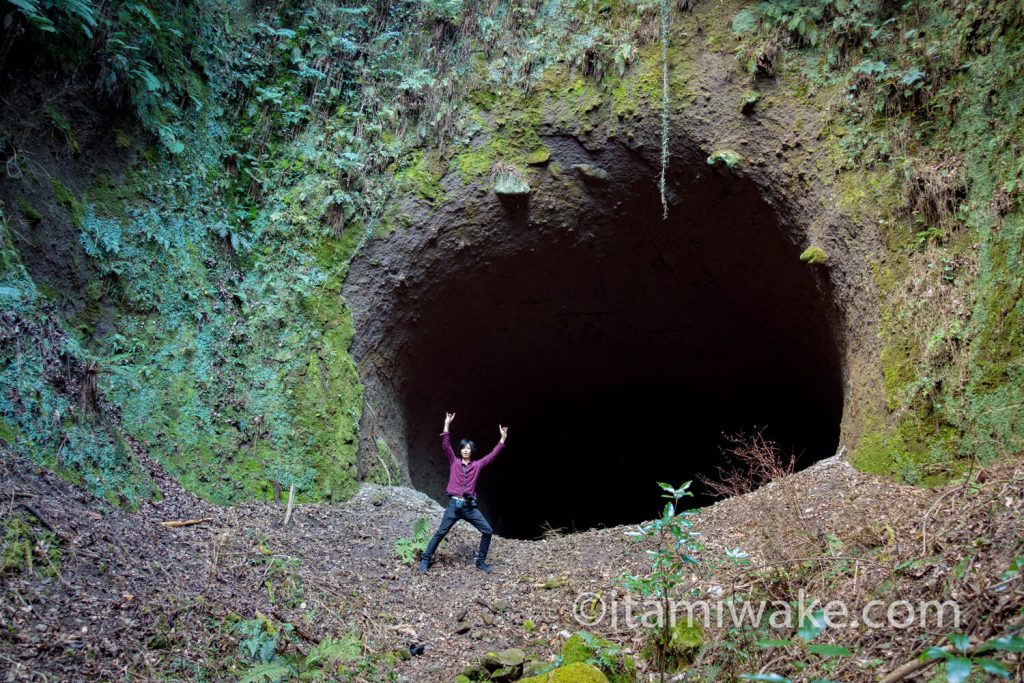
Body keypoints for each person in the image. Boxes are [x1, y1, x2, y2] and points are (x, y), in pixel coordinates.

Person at [418, 412, 508, 574]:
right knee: (441, 532)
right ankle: (425, 560)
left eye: (469, 448)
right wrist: (447, 424)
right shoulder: (454, 461)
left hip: (469, 506)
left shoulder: (478, 465)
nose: (466, 450)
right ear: (460, 450)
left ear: (472, 451)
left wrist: (502, 439)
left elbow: (492, 456)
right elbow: (445, 445)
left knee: (487, 531)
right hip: (454, 505)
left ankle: (480, 562)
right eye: (464, 448)